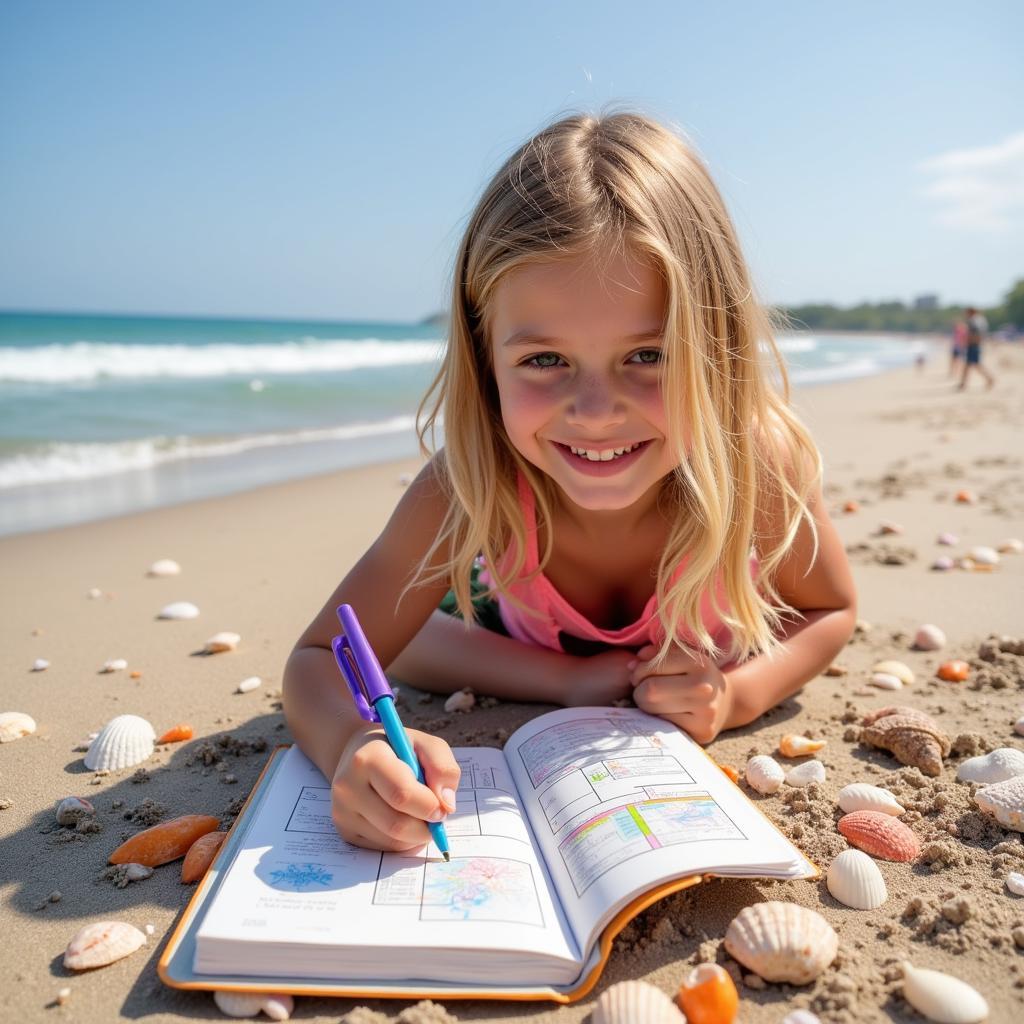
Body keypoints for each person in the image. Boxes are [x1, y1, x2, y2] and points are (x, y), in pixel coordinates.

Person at [284, 112, 857, 853]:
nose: (594, 413)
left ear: (715, 346)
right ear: (486, 356)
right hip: (505, 622)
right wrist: (353, 745)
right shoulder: (469, 481)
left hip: (526, 621)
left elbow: (830, 611)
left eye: (648, 356)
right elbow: (318, 661)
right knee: (415, 634)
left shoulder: (757, 465)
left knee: (420, 624)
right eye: (544, 361)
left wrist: (737, 694)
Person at [958, 307, 994, 391]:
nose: (965, 314)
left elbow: (975, 334)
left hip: (973, 345)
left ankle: (990, 379)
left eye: (966, 313)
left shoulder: (973, 321)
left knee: (976, 365)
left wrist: (967, 343)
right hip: (977, 345)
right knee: (968, 365)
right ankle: (963, 384)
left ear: (970, 312)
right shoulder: (981, 320)